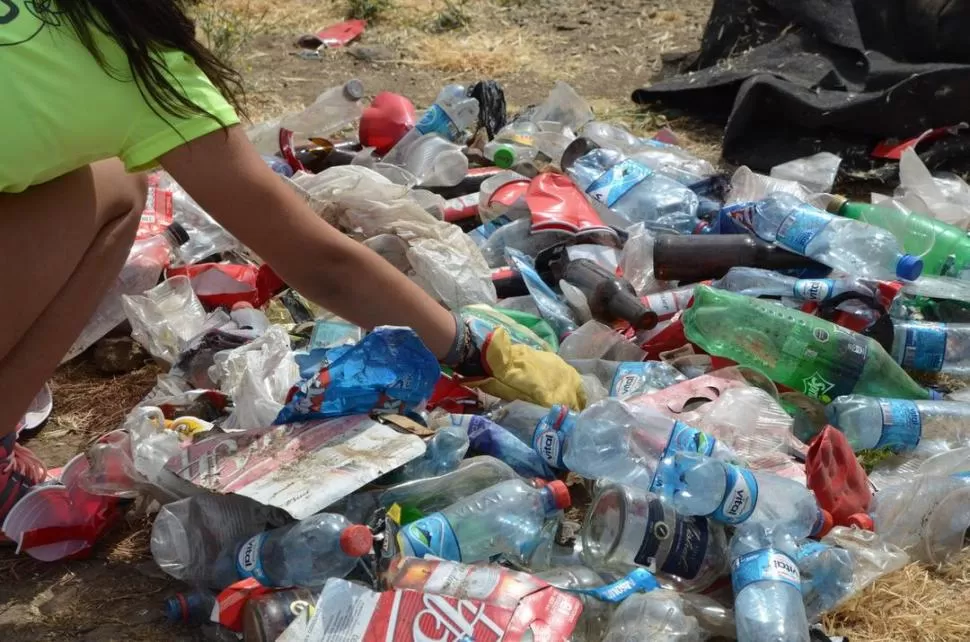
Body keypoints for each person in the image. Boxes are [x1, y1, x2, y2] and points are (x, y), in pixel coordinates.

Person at [0, 2, 583, 527]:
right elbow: (318, 262)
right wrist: (469, 347)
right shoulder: (132, 63)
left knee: (110, 180)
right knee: (117, 187)